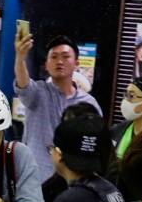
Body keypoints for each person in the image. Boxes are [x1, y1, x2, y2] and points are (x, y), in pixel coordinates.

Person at [14, 30, 102, 159]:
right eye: (54, 57)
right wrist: (20, 58)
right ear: (46, 65)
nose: (59, 61)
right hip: (36, 175)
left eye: (65, 57)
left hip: (71, 176)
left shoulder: (89, 103)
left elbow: (95, 141)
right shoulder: (37, 92)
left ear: (77, 64)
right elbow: (23, 83)